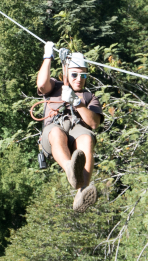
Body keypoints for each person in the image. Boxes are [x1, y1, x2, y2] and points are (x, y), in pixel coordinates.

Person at [36, 41, 102, 211]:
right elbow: (42, 85)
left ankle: (82, 191)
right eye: (74, 75)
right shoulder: (55, 87)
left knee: (87, 138)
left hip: (76, 131)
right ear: (65, 72)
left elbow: (94, 123)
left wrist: (78, 103)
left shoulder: (89, 97)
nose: (79, 79)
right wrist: (47, 56)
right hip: (54, 131)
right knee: (57, 133)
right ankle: (70, 169)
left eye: (83, 76)